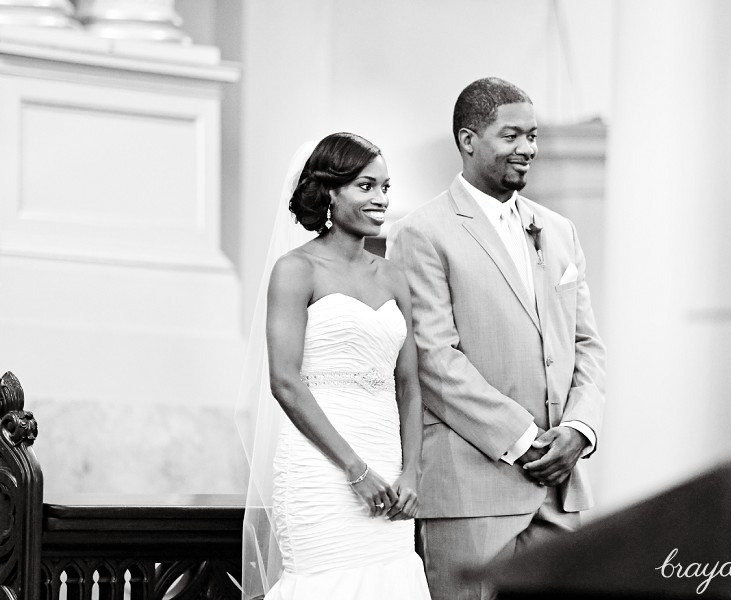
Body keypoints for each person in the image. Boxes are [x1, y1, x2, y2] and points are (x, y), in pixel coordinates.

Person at [387, 77, 606, 599]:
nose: (527, 148)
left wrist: (578, 429)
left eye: (533, 136)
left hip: (560, 490)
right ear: (468, 139)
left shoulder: (559, 231)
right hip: (471, 489)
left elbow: (587, 347)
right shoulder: (424, 232)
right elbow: (436, 360)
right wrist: (526, 440)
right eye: (511, 136)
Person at [237, 132, 431, 600]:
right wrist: (354, 469)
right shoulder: (296, 269)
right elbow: (284, 381)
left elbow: (408, 385)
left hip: (389, 468)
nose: (382, 199)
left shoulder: (393, 276)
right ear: (329, 192)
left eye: (385, 187)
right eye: (366, 186)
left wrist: (412, 472)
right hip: (322, 471)